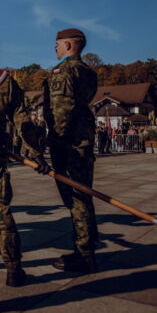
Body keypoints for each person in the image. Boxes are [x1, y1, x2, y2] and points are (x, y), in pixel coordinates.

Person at [0, 35, 50, 287]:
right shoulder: (8, 84)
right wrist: (36, 153)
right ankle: (13, 268)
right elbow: (23, 122)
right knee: (0, 211)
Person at [43, 28, 98, 273]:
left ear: (67, 45)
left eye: (56, 44)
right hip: (84, 140)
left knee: (76, 198)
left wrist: (54, 141)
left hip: (69, 145)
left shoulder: (63, 71)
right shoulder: (88, 72)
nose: (54, 48)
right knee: (84, 194)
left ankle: (84, 253)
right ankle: (89, 243)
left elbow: (61, 111)